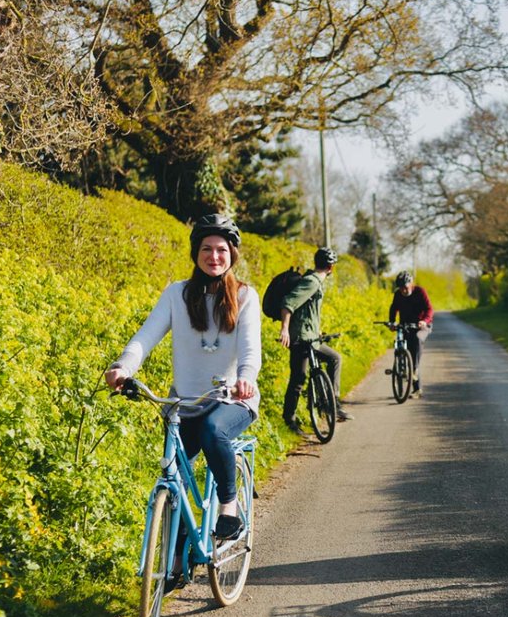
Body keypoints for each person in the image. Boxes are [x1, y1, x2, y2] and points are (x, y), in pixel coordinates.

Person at [105, 213, 261, 543]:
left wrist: (246, 378)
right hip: (185, 402)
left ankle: (228, 506)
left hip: (232, 398)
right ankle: (174, 561)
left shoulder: (246, 296)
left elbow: (250, 350)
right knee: (173, 476)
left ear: (232, 254)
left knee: (212, 429)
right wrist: (124, 367)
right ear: (196, 252)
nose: (214, 256)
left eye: (221, 249)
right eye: (206, 248)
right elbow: (145, 337)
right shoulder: (177, 294)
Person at [280, 247, 352, 436]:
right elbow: (288, 303)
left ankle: (331, 403)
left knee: (335, 358)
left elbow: (307, 310)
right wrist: (285, 330)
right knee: (298, 379)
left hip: (312, 338)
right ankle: (290, 419)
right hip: (300, 339)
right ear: (331, 267)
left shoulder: (314, 281)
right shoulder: (311, 282)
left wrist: (316, 329)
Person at [386, 270, 434, 396]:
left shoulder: (420, 292)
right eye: (401, 288)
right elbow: (393, 308)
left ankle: (415, 374)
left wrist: (424, 321)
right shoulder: (398, 294)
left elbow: (429, 309)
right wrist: (391, 322)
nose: (403, 291)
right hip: (405, 325)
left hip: (421, 326)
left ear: (411, 284)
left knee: (417, 340)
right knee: (401, 342)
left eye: (406, 288)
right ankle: (400, 364)